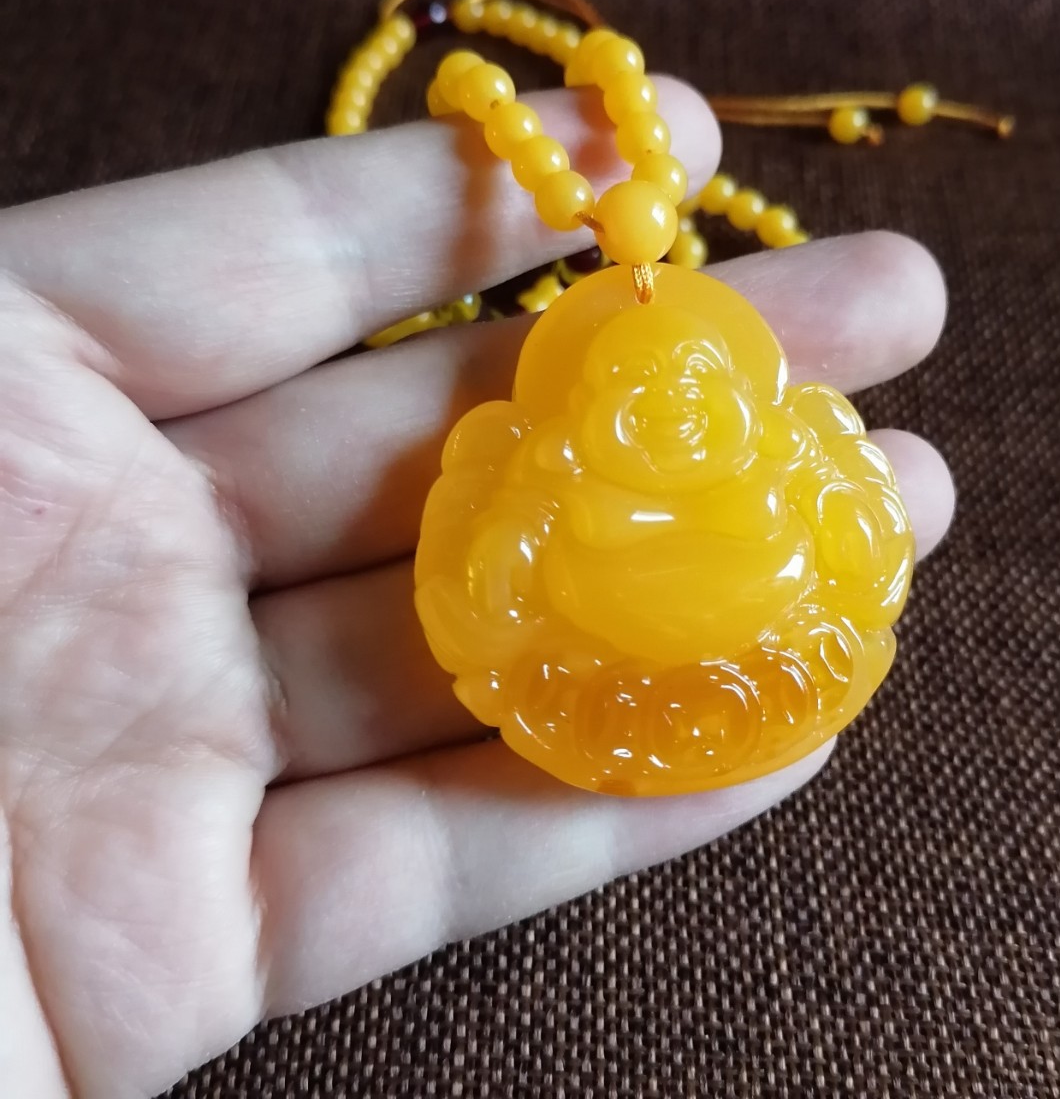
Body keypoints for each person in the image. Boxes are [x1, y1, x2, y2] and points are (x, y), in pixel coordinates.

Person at [0, 79, 953, 1097]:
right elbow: (496, 581)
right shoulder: (563, 481)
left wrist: (806, 506)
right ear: (594, 405)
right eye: (640, 395)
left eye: (694, 394)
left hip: (755, 629)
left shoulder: (775, 462)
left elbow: (848, 535)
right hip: (607, 637)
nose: (672, 412)